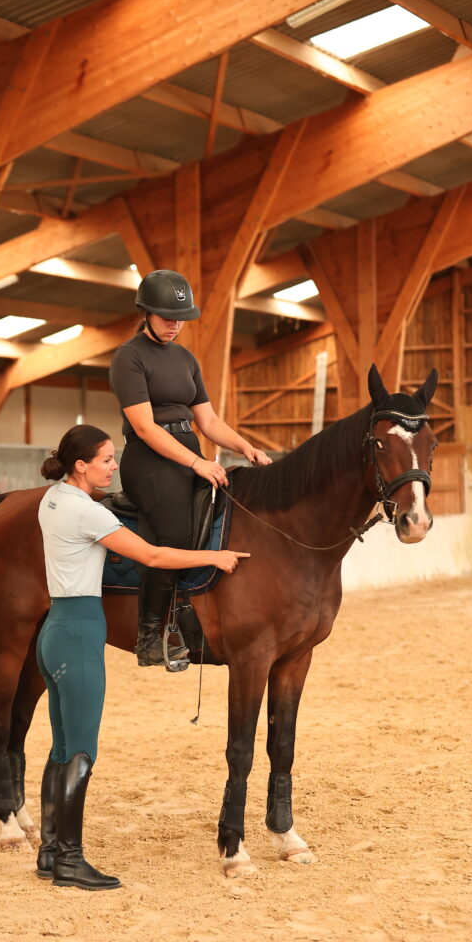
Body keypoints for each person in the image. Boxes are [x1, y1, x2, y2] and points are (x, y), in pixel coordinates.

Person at [36, 423, 249, 892]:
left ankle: (51, 851)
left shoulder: (52, 498)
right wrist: (212, 558)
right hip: (80, 631)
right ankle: (69, 861)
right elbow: (151, 557)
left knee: (61, 748)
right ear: (80, 466)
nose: (114, 468)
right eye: (106, 460)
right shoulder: (85, 511)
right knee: (82, 752)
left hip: (54, 632)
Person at [109, 269, 272, 667]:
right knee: (174, 533)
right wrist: (198, 463)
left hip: (188, 450)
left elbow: (209, 422)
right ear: (146, 313)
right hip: (149, 459)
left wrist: (246, 447)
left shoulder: (186, 359)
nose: (175, 325)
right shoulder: (129, 357)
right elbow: (145, 427)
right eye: (167, 317)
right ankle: (150, 635)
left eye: (180, 318)